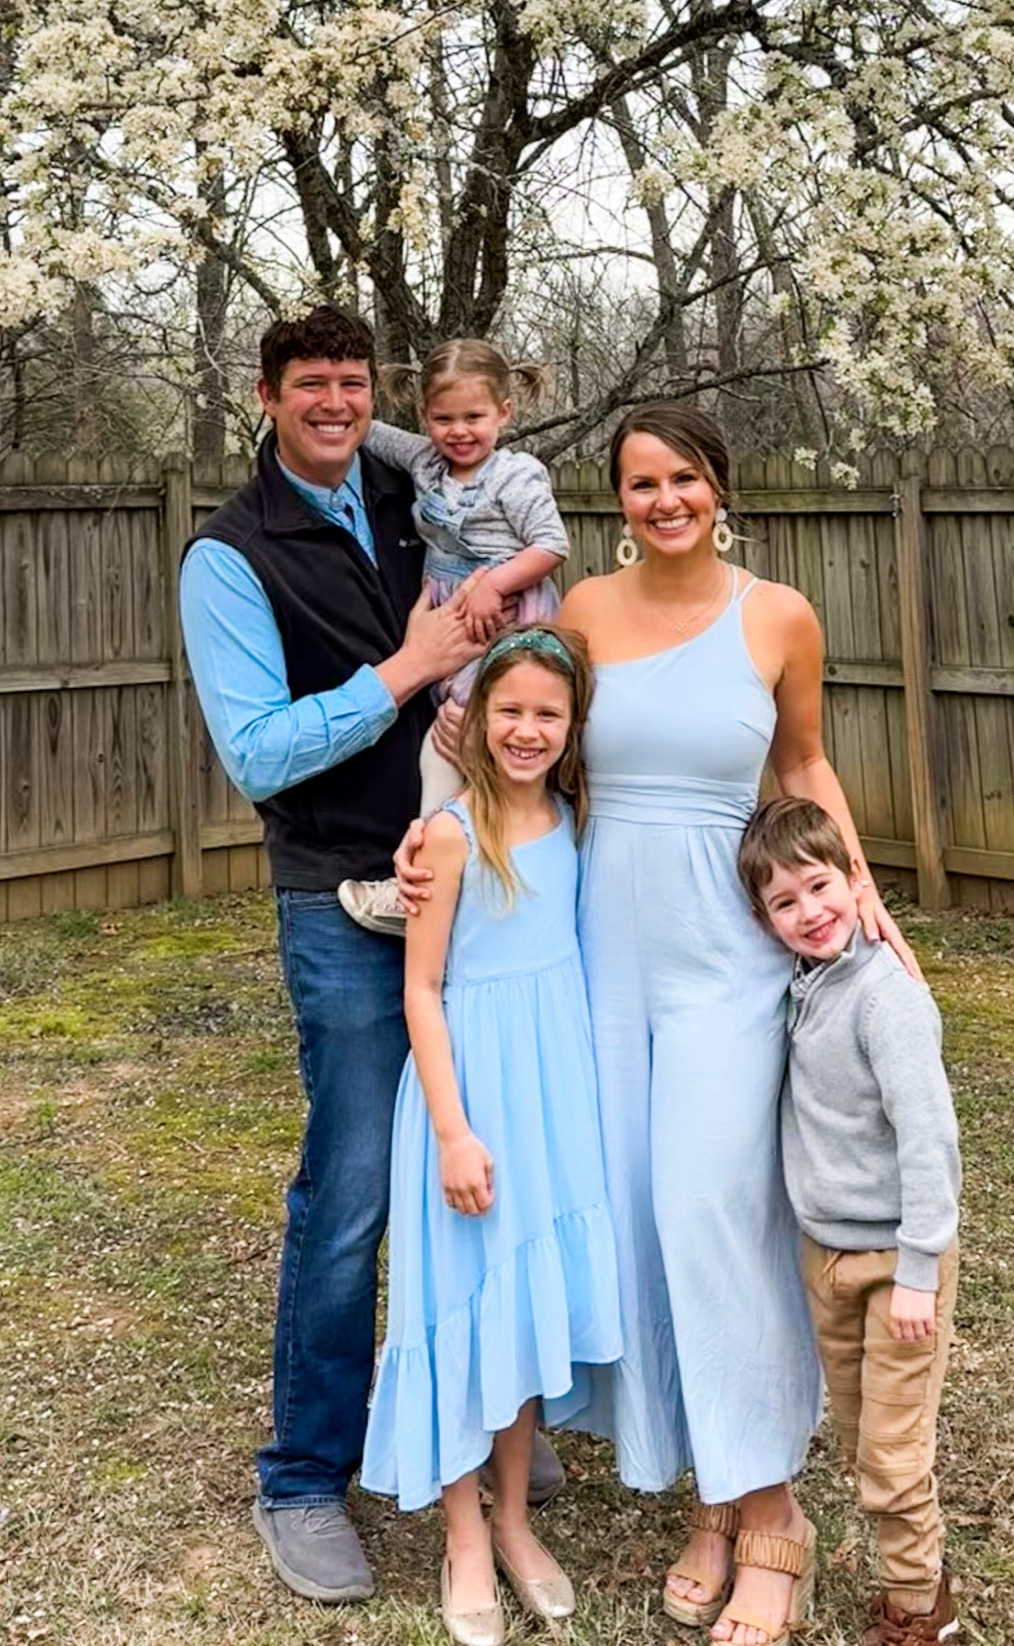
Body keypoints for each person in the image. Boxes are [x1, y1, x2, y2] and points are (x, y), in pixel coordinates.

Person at [399, 402, 917, 1646]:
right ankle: (709, 1500)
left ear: (717, 487)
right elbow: (494, 743)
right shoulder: (581, 617)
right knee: (635, 1219)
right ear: (615, 501)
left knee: (714, 1216)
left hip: (722, 960)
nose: (663, 498)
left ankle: (773, 1512)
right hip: (593, 963)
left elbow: (803, 765)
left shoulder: (779, 613)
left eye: (683, 477)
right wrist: (425, 836)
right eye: (639, 482)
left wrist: (869, 901)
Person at [177, 305, 562, 1607]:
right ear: (266, 395)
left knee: (488, 1144)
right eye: (310, 388)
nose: (335, 406)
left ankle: (497, 1415)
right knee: (350, 1194)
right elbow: (260, 754)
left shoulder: (411, 482)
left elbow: (455, 441)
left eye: (354, 385)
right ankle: (302, 1477)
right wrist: (408, 666)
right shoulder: (228, 556)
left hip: (472, 879)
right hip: (339, 892)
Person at [361, 626, 621, 1646]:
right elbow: (421, 990)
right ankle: (463, 1534)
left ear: (571, 726)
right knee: (467, 1309)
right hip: (468, 1099)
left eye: (547, 713)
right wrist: (453, 1130)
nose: (527, 728)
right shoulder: (450, 835)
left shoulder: (572, 815)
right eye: (509, 709)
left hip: (553, 1094)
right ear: (476, 715)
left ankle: (515, 1519)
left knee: (520, 1313)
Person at [738, 797, 961, 1646]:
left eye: (820, 886)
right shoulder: (805, 987)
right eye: (783, 903)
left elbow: (930, 1137)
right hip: (826, 1259)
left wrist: (916, 1268)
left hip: (897, 1268)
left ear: (853, 880)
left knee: (893, 1456)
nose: (809, 912)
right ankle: (915, 1579)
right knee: (864, 1440)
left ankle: (919, 1609)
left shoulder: (884, 997)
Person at [338, 339, 569, 936]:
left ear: (504, 414)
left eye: (474, 417)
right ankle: (473, 875)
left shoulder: (514, 476)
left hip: (504, 622)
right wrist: (337, 407)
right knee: (457, 741)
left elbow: (551, 544)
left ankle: (420, 884)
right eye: (443, 418)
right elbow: (366, 433)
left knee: (456, 742)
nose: (459, 431)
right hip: (449, 620)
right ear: (424, 418)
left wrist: (493, 584)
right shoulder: (426, 465)